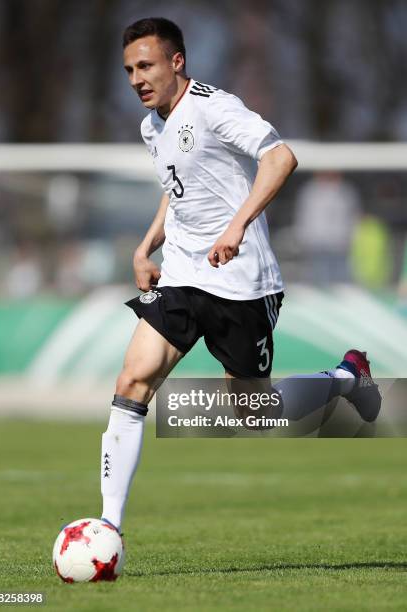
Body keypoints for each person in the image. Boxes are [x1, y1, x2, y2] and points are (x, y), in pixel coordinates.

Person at [100, 18, 381, 533]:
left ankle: (345, 379)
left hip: (240, 278)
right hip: (184, 273)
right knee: (133, 381)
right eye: (129, 70)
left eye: (146, 66)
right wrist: (145, 247)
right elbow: (178, 185)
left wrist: (237, 225)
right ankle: (108, 528)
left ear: (176, 62)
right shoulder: (151, 126)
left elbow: (280, 158)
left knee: (255, 411)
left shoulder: (213, 106)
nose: (136, 78)